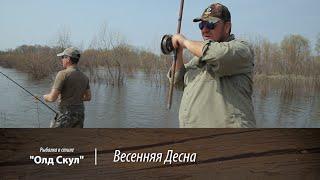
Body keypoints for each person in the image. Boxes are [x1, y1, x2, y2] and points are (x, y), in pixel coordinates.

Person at [168, 3, 255, 128]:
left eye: (210, 24)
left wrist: (184, 42)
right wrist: (179, 52)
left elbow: (217, 54)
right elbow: (177, 81)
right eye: (201, 25)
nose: (204, 29)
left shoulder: (241, 49)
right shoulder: (197, 59)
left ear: (227, 26)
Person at [44, 47, 91, 128]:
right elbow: (88, 97)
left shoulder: (62, 74)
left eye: (63, 57)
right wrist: (75, 98)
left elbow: (52, 98)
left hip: (65, 115)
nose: (62, 59)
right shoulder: (85, 77)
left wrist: (44, 97)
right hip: (79, 114)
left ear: (68, 59)